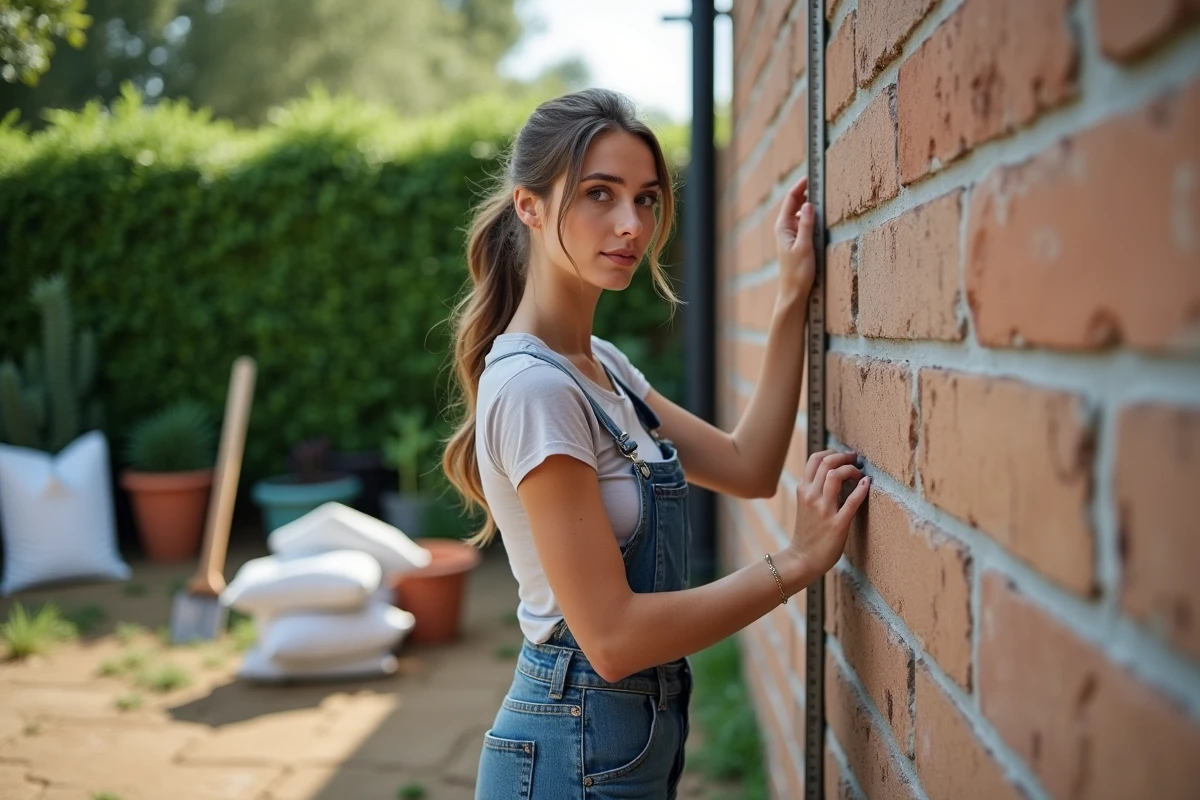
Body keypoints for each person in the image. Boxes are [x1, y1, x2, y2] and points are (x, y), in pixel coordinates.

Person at [442, 88, 870, 800]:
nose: (629, 224)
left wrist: (793, 296)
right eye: (598, 195)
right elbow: (610, 639)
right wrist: (794, 562)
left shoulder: (600, 364)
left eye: (645, 199)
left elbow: (747, 466)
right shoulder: (533, 388)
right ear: (530, 206)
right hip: (571, 747)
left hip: (625, 737)